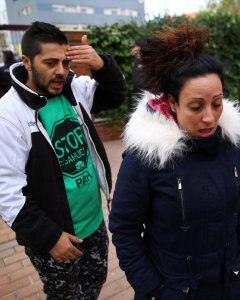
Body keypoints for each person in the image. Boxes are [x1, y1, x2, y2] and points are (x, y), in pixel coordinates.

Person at [109, 23, 240, 300]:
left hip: (230, 283)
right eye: (196, 106)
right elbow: (124, 227)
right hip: (176, 289)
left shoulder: (232, 144)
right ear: (172, 102)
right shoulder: (147, 156)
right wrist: (152, 288)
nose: (209, 117)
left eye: (216, 103)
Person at [0, 21, 127, 299]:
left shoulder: (73, 90)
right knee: (65, 296)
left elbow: (115, 96)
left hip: (93, 222)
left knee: (94, 283)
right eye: (50, 62)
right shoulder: (8, 115)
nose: (60, 71)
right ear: (27, 62)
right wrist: (49, 238)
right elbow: (7, 192)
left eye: (65, 62)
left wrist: (102, 65)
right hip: (55, 237)